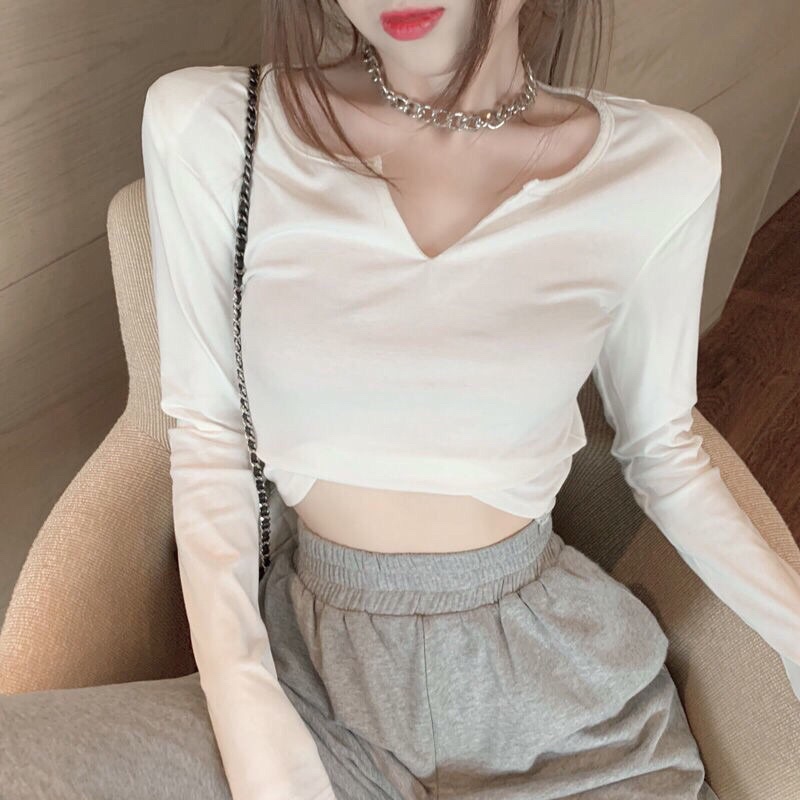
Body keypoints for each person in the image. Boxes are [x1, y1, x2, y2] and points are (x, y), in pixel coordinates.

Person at [2, 1, 799, 799]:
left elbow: (663, 450)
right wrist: (253, 719)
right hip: (310, 681)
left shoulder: (660, 165)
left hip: (556, 705)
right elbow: (208, 435)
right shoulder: (213, 126)